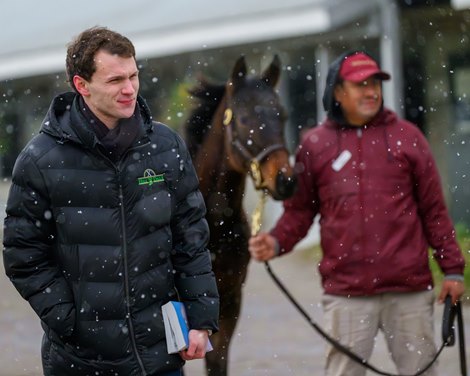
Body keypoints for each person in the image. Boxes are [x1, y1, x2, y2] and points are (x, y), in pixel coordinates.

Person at [3, 26, 219, 376]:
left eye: (134, 75)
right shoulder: (40, 161)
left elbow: (191, 239)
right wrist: (69, 319)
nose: (130, 88)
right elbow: (22, 254)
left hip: (159, 355)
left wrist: (201, 317)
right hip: (80, 362)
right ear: (81, 85)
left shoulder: (165, 147)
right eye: (116, 79)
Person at [249, 50, 465, 376]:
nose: (371, 91)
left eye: (375, 83)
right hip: (346, 294)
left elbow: (434, 211)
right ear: (338, 92)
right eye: (360, 84)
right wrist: (277, 242)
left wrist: (452, 270)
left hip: (408, 291)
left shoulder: (409, 138)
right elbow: (300, 213)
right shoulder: (315, 145)